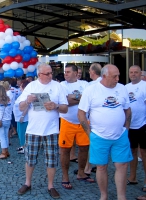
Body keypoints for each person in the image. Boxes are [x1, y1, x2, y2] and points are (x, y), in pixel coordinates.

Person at [78, 64, 132, 200]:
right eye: (114, 76)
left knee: (123, 165)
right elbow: (81, 113)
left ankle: (122, 197)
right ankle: (104, 195)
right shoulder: (91, 90)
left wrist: (127, 128)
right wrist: (89, 133)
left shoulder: (122, 88)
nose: (118, 79)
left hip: (120, 135)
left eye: (118, 75)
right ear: (103, 76)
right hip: (98, 135)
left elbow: (127, 110)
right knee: (101, 167)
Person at [17, 63, 68, 199]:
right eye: (48, 74)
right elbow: (21, 108)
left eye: (51, 73)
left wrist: (56, 106)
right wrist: (27, 100)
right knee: (30, 158)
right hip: (33, 129)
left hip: (51, 130)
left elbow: (65, 108)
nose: (51, 75)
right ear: (39, 75)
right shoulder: (31, 86)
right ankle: (27, 183)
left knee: (52, 160)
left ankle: (51, 186)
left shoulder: (58, 86)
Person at [59, 64, 93, 190]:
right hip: (67, 121)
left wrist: (73, 98)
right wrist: (81, 98)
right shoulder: (62, 85)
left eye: (68, 72)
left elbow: (88, 100)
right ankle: (65, 177)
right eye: (65, 72)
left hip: (83, 121)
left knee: (84, 148)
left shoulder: (85, 84)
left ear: (75, 73)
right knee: (65, 150)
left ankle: (81, 172)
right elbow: (64, 101)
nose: (65, 74)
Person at [125, 65, 146, 190]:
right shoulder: (125, 88)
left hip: (143, 124)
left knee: (144, 153)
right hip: (130, 125)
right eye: (131, 72)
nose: (133, 74)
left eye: (136, 72)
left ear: (140, 74)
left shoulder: (144, 85)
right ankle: (132, 177)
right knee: (132, 152)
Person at [13, 80, 29, 154]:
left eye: (21, 85)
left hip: (23, 117)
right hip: (19, 117)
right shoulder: (22, 94)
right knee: (20, 132)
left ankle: (25, 147)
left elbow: (27, 106)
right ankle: (22, 146)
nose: (19, 86)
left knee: (23, 133)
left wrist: (22, 116)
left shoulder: (26, 95)